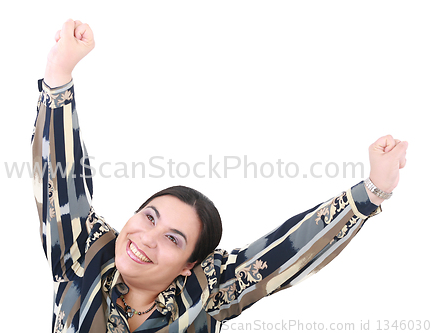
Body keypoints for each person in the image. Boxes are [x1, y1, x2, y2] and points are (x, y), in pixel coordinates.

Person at [31, 19, 408, 333]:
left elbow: (283, 253)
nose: (146, 239)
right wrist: (59, 75)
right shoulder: (83, 252)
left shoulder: (207, 293)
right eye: (149, 217)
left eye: (173, 239)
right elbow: (61, 183)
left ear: (188, 265)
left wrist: (373, 191)